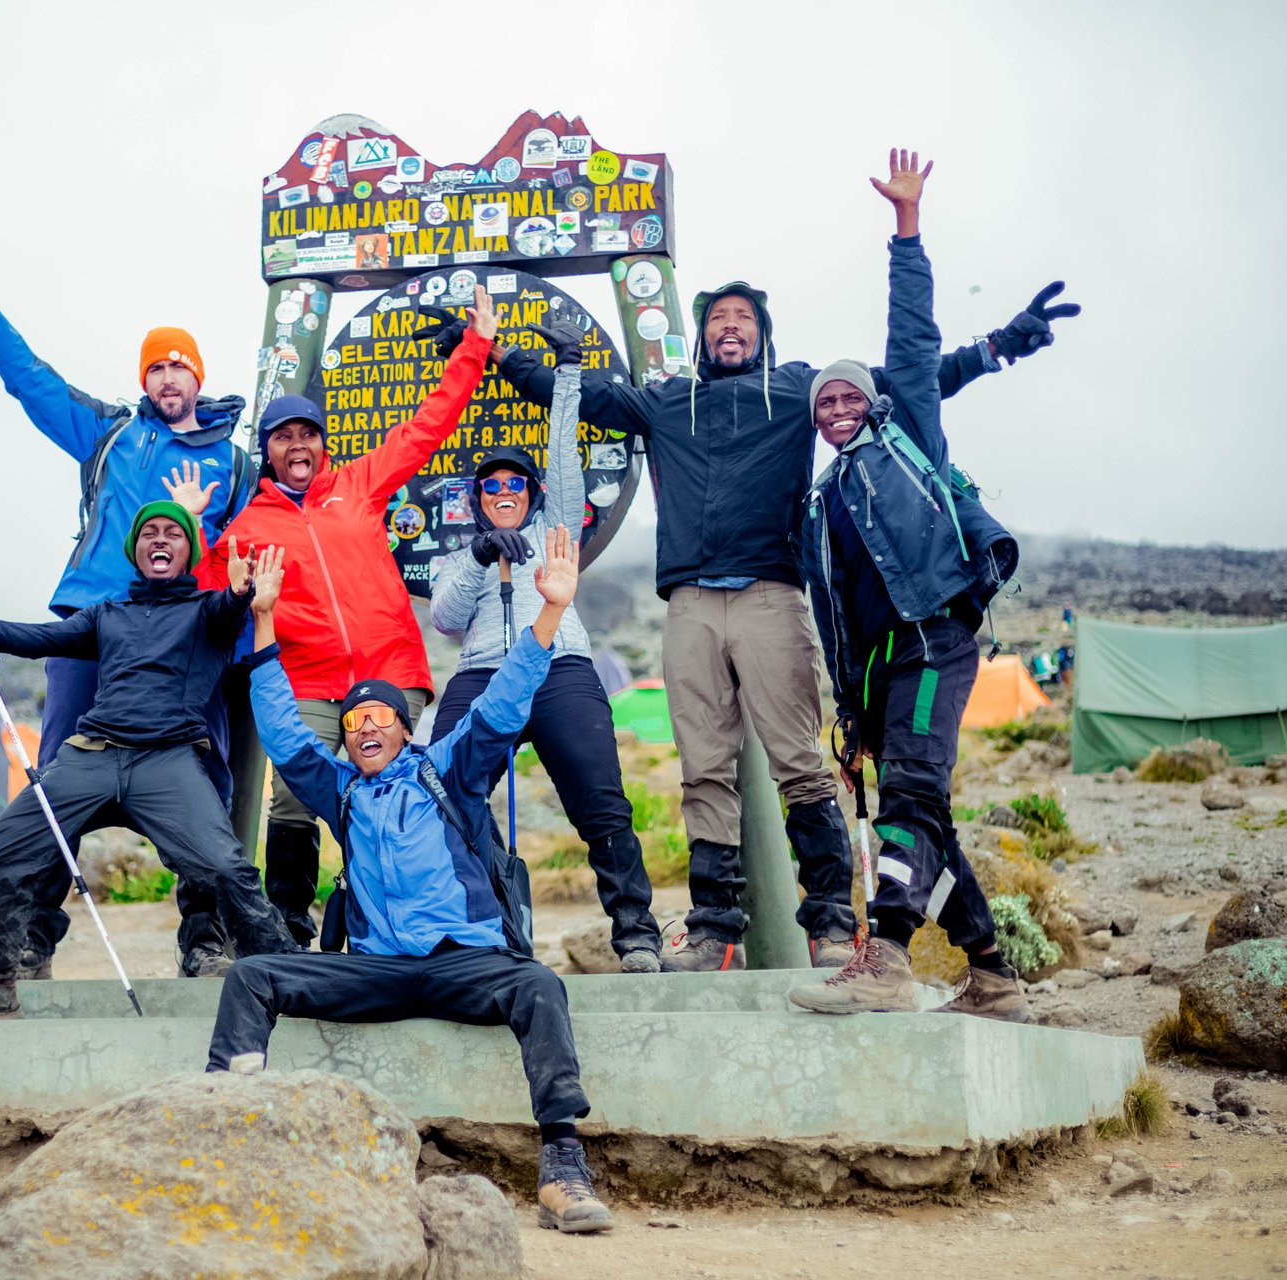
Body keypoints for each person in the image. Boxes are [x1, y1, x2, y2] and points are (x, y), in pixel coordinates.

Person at [490, 219, 1077, 973]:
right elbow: (584, 396)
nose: (729, 329)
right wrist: (497, 354)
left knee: (799, 762)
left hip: (773, 596)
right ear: (703, 338)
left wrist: (1003, 344)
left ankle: (830, 921)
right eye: (717, 321)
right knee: (702, 767)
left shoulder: (798, 388)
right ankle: (711, 928)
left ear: (761, 335)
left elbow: (905, 383)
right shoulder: (667, 401)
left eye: (743, 320)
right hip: (692, 604)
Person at [207, 530, 615, 1235]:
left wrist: (550, 613)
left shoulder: (447, 769)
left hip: (465, 961)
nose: (364, 728)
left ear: (405, 727)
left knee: (541, 987)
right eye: (355, 719)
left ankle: (562, 1166)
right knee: (252, 979)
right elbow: (282, 731)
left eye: (379, 718)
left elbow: (505, 702)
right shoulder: (341, 791)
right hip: (376, 970)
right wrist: (264, 619)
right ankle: (221, 1133)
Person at [0, 242, 256, 977]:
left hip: (183, 636)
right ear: (144, 379)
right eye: (156, 366)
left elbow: (258, 548)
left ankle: (206, 938)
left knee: (204, 777)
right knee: (57, 775)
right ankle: (31, 938)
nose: (167, 375)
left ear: (198, 375)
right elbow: (31, 382)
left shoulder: (236, 463)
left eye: (179, 364)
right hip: (93, 622)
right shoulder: (111, 434)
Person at [787, 150, 1030, 1021]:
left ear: (875, 402)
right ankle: (995, 974)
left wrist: (907, 229)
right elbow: (840, 617)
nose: (838, 409)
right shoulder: (822, 502)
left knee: (915, 801)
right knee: (927, 816)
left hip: (935, 638)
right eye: (825, 405)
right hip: (879, 673)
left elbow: (916, 341)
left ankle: (885, 956)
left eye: (850, 396)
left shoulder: (908, 439)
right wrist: (851, 712)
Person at [186, 288, 497, 946]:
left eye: (308, 435)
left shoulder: (358, 485)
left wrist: (475, 347)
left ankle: (412, 920)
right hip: (307, 682)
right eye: (283, 437)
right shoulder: (249, 523)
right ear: (267, 451)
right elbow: (203, 588)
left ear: (322, 445)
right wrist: (201, 540)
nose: (297, 446)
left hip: (388, 671)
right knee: (294, 798)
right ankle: (289, 930)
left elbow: (427, 426)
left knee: (404, 790)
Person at [0, 502, 297, 1020]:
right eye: (149, 533)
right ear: (135, 550)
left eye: (173, 533)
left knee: (225, 870)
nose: (160, 539)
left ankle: (290, 980)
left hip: (168, 761)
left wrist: (238, 593)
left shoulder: (205, 610)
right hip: (91, 755)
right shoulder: (105, 615)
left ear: (188, 551)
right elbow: (36, 640)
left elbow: (229, 612)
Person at [429, 321, 664, 971]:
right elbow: (447, 620)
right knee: (444, 788)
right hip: (482, 672)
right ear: (476, 500)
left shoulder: (554, 529)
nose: (504, 494)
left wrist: (566, 372)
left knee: (601, 798)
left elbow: (563, 455)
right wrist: (479, 558)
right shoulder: (458, 554)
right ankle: (471, 925)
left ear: (530, 497)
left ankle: (636, 930)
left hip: (558, 664)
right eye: (491, 488)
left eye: (515, 487)